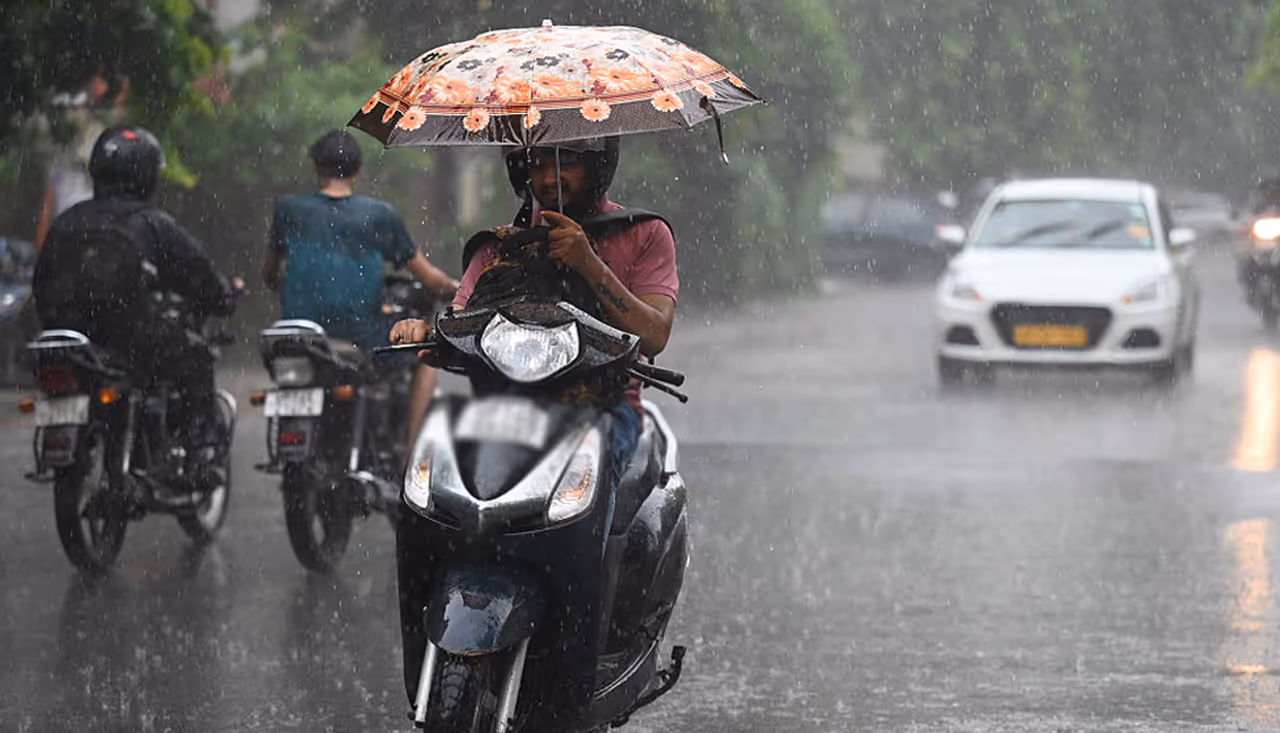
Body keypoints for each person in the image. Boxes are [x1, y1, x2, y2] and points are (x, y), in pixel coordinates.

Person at [389, 137, 679, 531]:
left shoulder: (644, 233)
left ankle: (593, 591)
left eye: (567, 162)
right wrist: (427, 333)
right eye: (537, 163)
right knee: (429, 500)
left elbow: (655, 335)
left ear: (599, 165)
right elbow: (459, 321)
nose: (549, 177)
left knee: (584, 525)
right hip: (500, 415)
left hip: (600, 412)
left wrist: (589, 264)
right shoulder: (496, 248)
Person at [33, 125, 239, 450]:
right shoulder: (153, 224)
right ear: (148, 175)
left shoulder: (68, 222)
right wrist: (224, 296)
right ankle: (201, 451)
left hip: (67, 338)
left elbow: (41, 279)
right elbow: (202, 279)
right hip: (130, 342)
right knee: (196, 354)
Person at [263, 130, 458, 449]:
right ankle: (410, 455)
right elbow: (430, 280)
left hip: (300, 335)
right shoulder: (379, 215)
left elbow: (269, 272)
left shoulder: (288, 209)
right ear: (358, 171)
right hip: (358, 336)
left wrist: (289, 293)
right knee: (425, 354)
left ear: (316, 168)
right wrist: (460, 290)